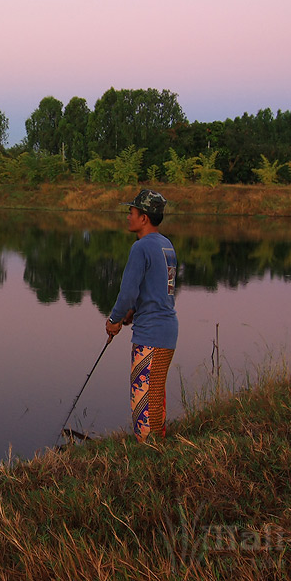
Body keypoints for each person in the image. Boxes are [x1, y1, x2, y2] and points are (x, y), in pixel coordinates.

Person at [105, 189, 178, 442]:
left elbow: (127, 292)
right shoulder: (166, 245)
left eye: (132, 212)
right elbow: (161, 291)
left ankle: (149, 453)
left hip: (151, 335)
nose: (128, 217)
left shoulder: (141, 247)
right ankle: (157, 448)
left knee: (143, 401)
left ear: (144, 217)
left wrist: (114, 320)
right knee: (154, 394)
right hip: (166, 331)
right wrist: (133, 313)